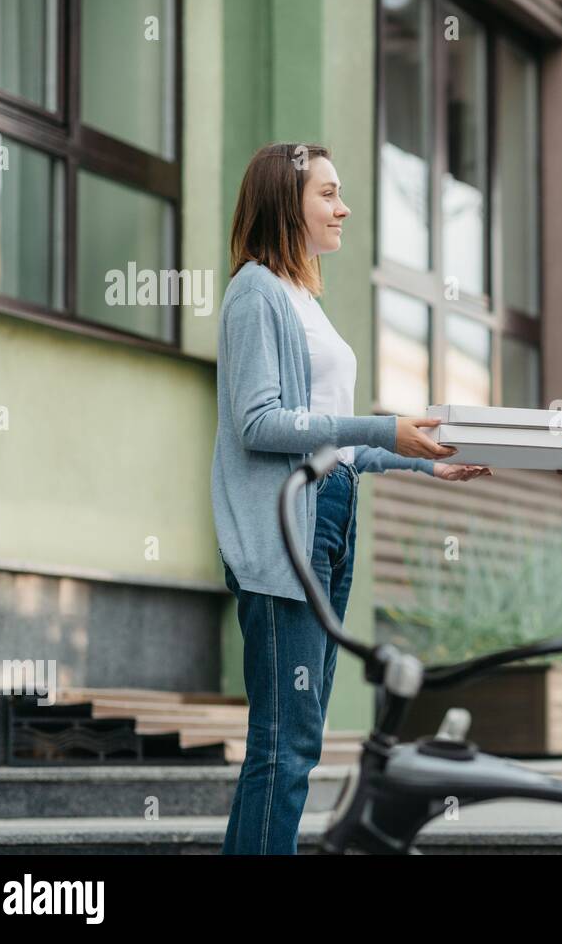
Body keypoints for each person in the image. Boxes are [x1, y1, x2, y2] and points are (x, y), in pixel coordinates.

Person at [212, 142, 490, 854]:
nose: (342, 209)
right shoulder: (256, 292)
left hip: (328, 518)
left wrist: (421, 460)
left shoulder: (303, 298)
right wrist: (383, 424)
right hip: (285, 534)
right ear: (286, 203)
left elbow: (327, 443)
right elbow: (259, 423)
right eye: (328, 194)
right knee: (287, 740)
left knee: (294, 738)